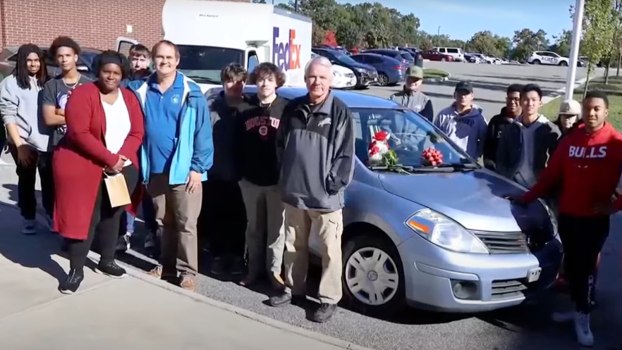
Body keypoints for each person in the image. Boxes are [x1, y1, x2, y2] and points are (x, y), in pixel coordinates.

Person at [509, 91, 622, 347]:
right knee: (571, 267)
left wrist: (614, 206)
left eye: (596, 109)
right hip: (569, 216)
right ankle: (577, 308)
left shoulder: (616, 142)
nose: (591, 113)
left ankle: (583, 316)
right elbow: (551, 176)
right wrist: (525, 198)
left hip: (594, 220)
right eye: (588, 109)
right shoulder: (571, 141)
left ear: (605, 112)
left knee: (585, 268)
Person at [269, 56, 355, 323]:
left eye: (322, 77)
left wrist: (331, 185)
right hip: (295, 193)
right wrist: (287, 176)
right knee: (294, 245)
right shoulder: (293, 109)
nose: (316, 82)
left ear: (330, 81)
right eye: (312, 77)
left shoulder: (340, 112)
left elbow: (345, 156)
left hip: (325, 197)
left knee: (330, 250)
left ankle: (328, 300)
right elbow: (281, 146)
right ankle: (293, 289)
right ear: (306, 78)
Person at [53, 51, 144, 294]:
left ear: (122, 74)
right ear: (98, 71)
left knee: (113, 214)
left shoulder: (129, 98)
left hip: (121, 168)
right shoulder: (83, 94)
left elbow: (137, 132)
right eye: (107, 72)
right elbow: (79, 133)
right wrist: (109, 158)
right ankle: (76, 270)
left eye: (116, 73)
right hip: (87, 167)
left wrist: (121, 157)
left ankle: (107, 260)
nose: (111, 77)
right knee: (86, 218)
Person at [127, 40, 213, 292]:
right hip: (154, 169)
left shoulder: (191, 91)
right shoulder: (141, 88)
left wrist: (198, 167)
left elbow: (203, 133)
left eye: (169, 58)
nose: (164, 62)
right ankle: (166, 266)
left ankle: (187, 272)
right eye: (159, 57)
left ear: (177, 61)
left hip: (185, 171)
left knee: (186, 223)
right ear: (153, 59)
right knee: (163, 221)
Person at [238, 63, 288, 288]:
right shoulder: (245, 109)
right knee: (254, 229)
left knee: (276, 232)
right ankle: (253, 271)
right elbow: (235, 143)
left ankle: (274, 272)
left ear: (277, 81)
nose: (264, 83)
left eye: (269, 79)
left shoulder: (286, 109)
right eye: (260, 79)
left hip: (277, 182)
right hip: (250, 181)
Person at [199, 63, 248, 276]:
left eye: (239, 81)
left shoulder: (249, 108)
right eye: (230, 80)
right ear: (223, 82)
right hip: (215, 174)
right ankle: (218, 257)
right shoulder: (211, 108)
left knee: (239, 219)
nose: (234, 85)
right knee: (216, 218)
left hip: (242, 176)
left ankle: (237, 258)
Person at [41, 36, 92, 230]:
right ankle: (66, 231)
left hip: (85, 147)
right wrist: (75, 116)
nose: (64, 60)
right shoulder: (51, 86)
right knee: (63, 194)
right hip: (60, 146)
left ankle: (83, 231)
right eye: (60, 56)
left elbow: (93, 118)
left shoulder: (89, 85)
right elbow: (49, 118)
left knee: (84, 194)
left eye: (68, 55)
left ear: (76, 57)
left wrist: (61, 112)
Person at [0, 44, 51, 234]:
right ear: (22, 61)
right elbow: (8, 116)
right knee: (27, 179)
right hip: (23, 141)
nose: (33, 64)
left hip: (46, 140)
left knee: (49, 180)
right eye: (29, 60)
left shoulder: (46, 81)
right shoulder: (10, 84)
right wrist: (20, 145)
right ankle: (28, 216)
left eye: (37, 60)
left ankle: (50, 213)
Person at [117, 43, 157, 253]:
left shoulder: (153, 82)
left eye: (142, 58)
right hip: (127, 141)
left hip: (148, 143)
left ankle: (151, 230)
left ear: (149, 61)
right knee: (127, 188)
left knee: (148, 189)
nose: (138, 62)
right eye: (135, 58)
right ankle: (125, 231)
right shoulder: (122, 82)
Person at [495, 84, 561, 188]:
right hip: (514, 184)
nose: (530, 103)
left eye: (534, 100)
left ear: (540, 103)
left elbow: (557, 163)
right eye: (526, 99)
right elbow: (501, 158)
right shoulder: (511, 129)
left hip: (539, 188)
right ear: (520, 102)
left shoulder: (550, 130)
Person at [433, 81, 487, 159]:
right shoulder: (443, 115)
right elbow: (434, 136)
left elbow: (484, 140)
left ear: (472, 96)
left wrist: (476, 156)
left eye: (466, 94)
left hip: (467, 161)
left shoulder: (479, 118)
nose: (463, 96)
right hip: (445, 159)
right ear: (455, 95)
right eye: (460, 93)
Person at [482, 83, 522, 170]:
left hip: (520, 175)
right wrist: (490, 166)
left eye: (516, 99)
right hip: (498, 173)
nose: (512, 102)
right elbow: (488, 147)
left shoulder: (526, 123)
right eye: (510, 98)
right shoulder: (496, 121)